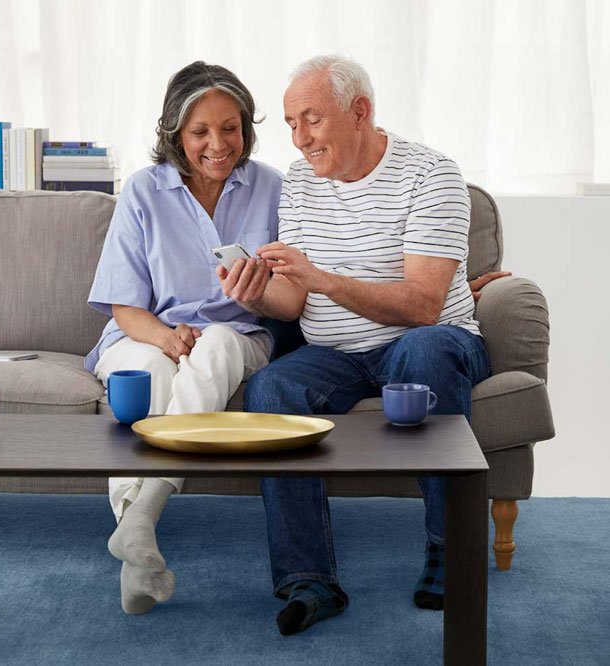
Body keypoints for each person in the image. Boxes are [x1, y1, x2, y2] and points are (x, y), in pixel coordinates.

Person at [218, 54, 497, 636]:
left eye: (311, 120)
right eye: (291, 123)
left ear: (360, 111)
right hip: (336, 356)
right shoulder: (299, 183)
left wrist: (320, 277)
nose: (298, 140)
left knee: (423, 352)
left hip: (429, 342)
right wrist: (257, 297)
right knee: (271, 387)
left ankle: (453, 550)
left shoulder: (432, 175)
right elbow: (294, 304)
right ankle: (308, 578)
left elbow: (422, 305)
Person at [85, 61, 282, 615]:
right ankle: (137, 551)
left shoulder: (272, 187)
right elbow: (126, 306)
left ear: (246, 127)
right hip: (147, 332)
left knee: (218, 341)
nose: (218, 144)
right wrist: (168, 340)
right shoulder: (145, 191)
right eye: (200, 132)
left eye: (231, 127)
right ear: (175, 134)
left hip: (239, 333)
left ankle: (141, 515)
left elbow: (302, 277)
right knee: (148, 373)